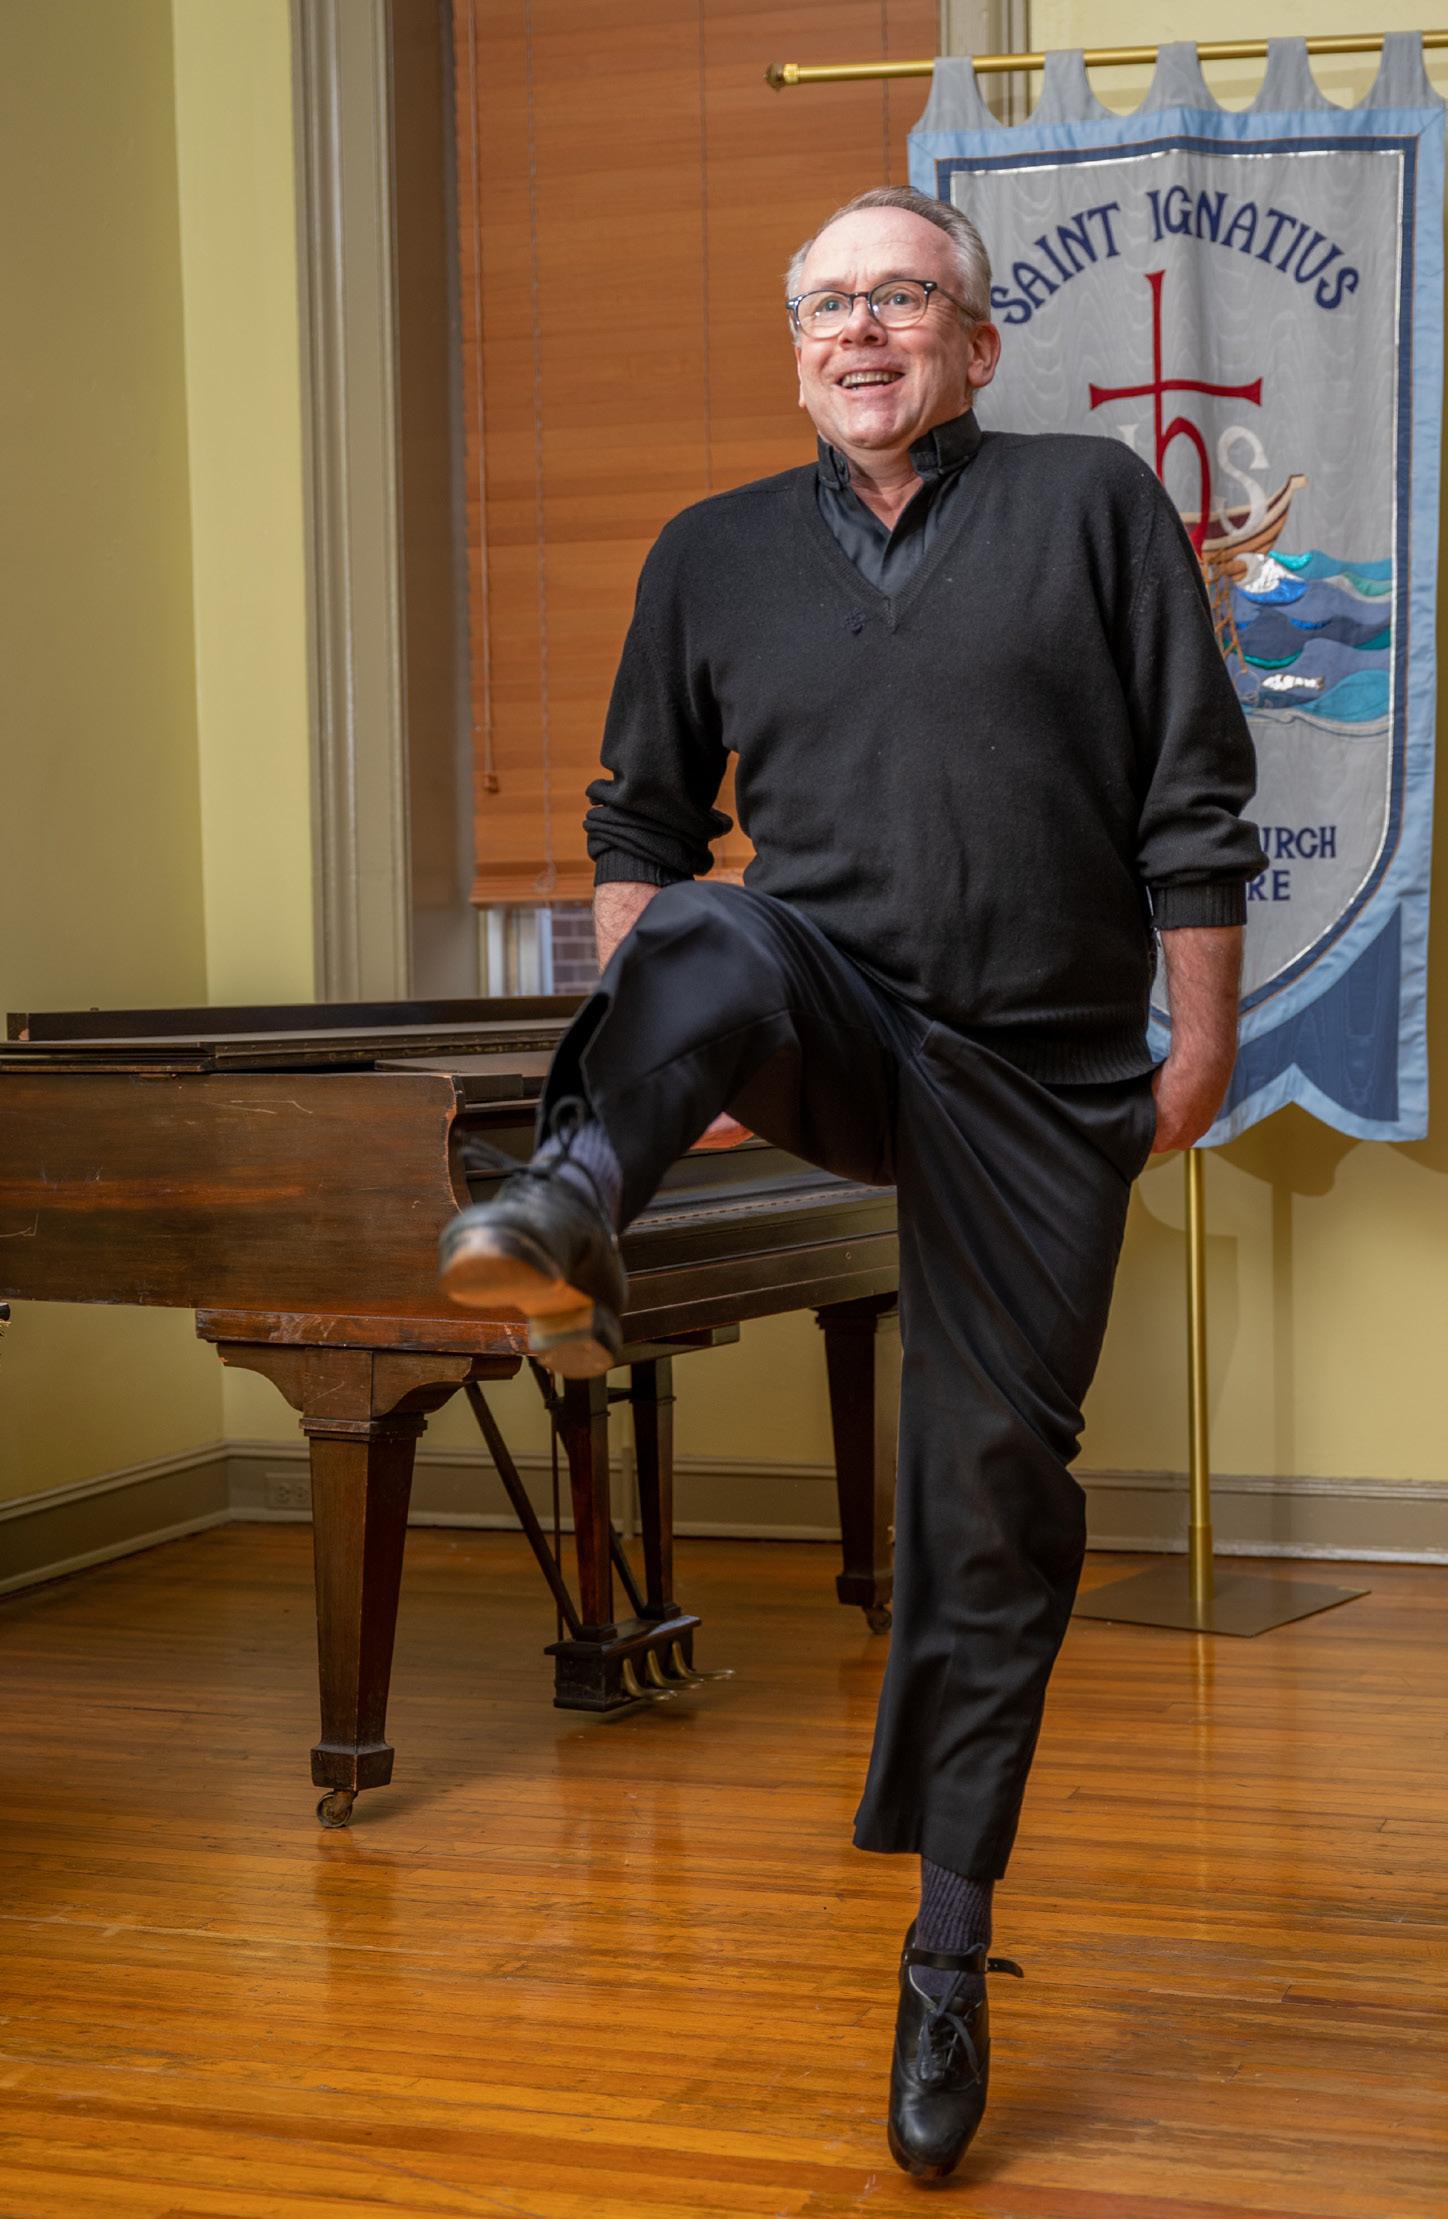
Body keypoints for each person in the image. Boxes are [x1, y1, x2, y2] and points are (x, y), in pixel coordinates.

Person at [437, 185, 1267, 2181]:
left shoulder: (1088, 508)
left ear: (976, 344)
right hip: (826, 1014)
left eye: (902, 297)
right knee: (708, 928)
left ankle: (948, 1952)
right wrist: (672, 1066)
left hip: (1043, 1074)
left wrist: (1200, 1043)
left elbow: (1192, 795)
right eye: (828, 304)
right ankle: (573, 1194)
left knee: (991, 1494)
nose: (861, 330)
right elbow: (641, 829)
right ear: (794, 347)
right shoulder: (708, 552)